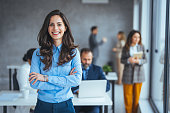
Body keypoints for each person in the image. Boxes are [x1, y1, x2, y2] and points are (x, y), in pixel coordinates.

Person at [29, 9, 82, 113]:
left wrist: (45, 78)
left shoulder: (73, 53)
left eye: (59, 24)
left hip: (66, 105)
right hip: (43, 106)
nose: (55, 28)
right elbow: (34, 84)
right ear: (47, 28)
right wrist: (65, 81)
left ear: (65, 27)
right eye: (51, 25)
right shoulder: (37, 53)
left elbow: (76, 80)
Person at [72, 48, 110, 113]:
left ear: (92, 58)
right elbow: (69, 84)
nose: (87, 62)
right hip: (77, 101)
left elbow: (107, 86)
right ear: (80, 58)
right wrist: (77, 90)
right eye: (84, 59)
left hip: (93, 103)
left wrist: (95, 91)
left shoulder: (98, 69)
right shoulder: (74, 70)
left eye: (89, 59)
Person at [121, 30, 146, 113]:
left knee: (136, 97)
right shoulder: (126, 47)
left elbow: (145, 60)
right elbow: (122, 60)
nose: (137, 39)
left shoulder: (141, 47)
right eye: (135, 37)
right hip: (128, 74)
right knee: (127, 97)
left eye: (138, 37)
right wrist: (129, 60)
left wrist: (138, 61)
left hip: (139, 74)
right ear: (131, 37)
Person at [15, 48, 37, 113]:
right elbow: (23, 87)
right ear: (29, 60)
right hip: (29, 104)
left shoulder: (36, 68)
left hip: (36, 100)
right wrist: (39, 88)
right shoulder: (24, 69)